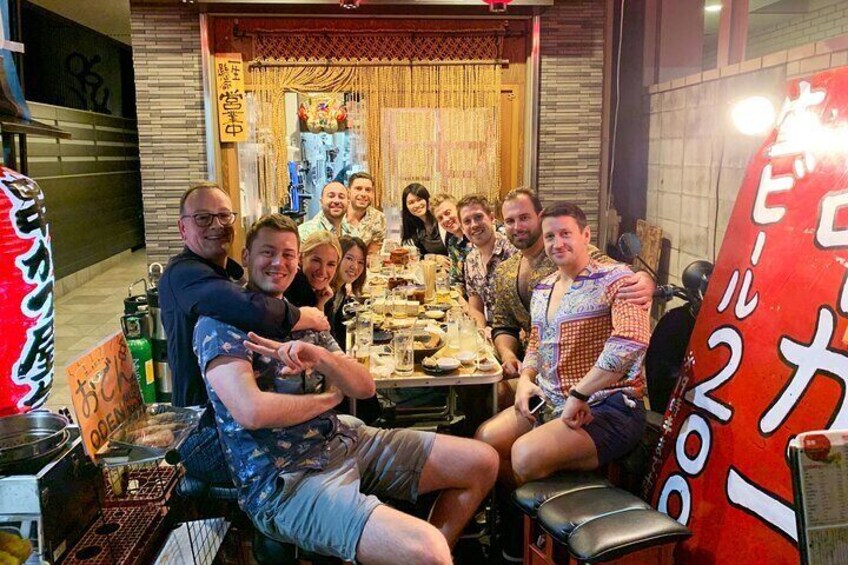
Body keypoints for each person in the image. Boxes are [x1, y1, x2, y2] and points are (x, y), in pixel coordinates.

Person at [194, 213, 499, 564]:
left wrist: (321, 357)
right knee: (426, 549)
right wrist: (329, 398)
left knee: (482, 462)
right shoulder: (219, 323)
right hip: (284, 480)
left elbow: (364, 386)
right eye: (268, 252)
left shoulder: (300, 316)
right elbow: (252, 411)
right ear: (246, 257)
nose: (279, 263)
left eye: (288, 254)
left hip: (342, 441)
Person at [159, 182, 328, 481]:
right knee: (315, 450)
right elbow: (247, 308)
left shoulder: (228, 272)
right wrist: (304, 316)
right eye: (203, 218)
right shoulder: (182, 274)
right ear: (183, 228)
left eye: (224, 216)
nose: (217, 225)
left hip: (230, 420)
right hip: (204, 431)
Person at [476, 203, 650, 487]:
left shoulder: (617, 279)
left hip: (606, 403)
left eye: (565, 234)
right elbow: (536, 343)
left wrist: (580, 393)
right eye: (550, 237)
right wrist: (526, 380)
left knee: (524, 455)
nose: (557, 243)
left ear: (586, 235)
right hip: (551, 398)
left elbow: (630, 342)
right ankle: (522, 512)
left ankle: (564, 504)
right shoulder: (544, 288)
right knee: (486, 440)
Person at [491, 188, 655, 407]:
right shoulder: (507, 270)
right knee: (488, 395)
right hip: (536, 367)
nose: (517, 226)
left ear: (539, 217)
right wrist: (509, 357)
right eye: (510, 221)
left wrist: (645, 278)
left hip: (589, 383)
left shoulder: (569, 252)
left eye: (524, 218)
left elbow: (616, 273)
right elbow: (504, 324)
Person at [457, 194, 516, 329]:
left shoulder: (513, 251)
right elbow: (475, 309)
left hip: (517, 334)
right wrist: (482, 332)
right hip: (490, 332)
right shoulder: (471, 260)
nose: (474, 225)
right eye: (467, 221)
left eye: (478, 217)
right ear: (462, 229)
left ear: (491, 218)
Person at [285, 231, 342, 325]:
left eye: (331, 264)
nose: (322, 271)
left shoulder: (324, 294)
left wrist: (320, 304)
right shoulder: (290, 288)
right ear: (300, 258)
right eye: (316, 261)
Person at [330, 235, 368, 347]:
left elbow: (337, 330)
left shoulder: (340, 291)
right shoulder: (325, 291)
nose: (355, 267)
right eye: (349, 258)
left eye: (360, 262)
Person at [431, 193, 471, 293]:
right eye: (440, 218)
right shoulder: (453, 242)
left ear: (459, 209)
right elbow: (456, 280)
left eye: (448, 213)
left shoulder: (476, 234)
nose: (445, 219)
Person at [401, 183, 448, 256]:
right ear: (406, 207)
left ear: (427, 199)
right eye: (411, 202)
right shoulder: (417, 228)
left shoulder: (440, 220)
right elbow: (422, 254)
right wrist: (434, 257)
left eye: (419, 199)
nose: (416, 205)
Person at [346, 172, 386, 254]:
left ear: (372, 194)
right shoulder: (336, 214)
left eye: (368, 190)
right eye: (358, 188)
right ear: (348, 191)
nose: (363, 194)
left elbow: (372, 254)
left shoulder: (378, 218)